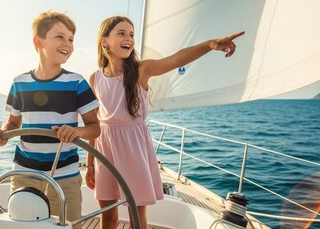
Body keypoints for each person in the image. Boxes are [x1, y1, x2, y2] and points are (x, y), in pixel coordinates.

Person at [84, 15, 244, 229]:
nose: (129, 38)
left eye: (131, 34)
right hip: (105, 149)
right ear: (104, 41)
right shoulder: (95, 78)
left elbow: (176, 59)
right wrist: (90, 163)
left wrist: (209, 45)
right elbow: (94, 124)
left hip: (134, 149)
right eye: (121, 33)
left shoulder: (142, 70)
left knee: (137, 219)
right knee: (108, 218)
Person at [0, 11, 100, 229]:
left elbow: (95, 128)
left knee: (68, 226)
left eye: (71, 39)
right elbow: (12, 125)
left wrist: (77, 132)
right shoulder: (19, 84)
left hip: (65, 176)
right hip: (23, 174)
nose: (67, 43)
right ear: (38, 41)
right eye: (60, 37)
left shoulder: (77, 83)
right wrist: (0, 133)